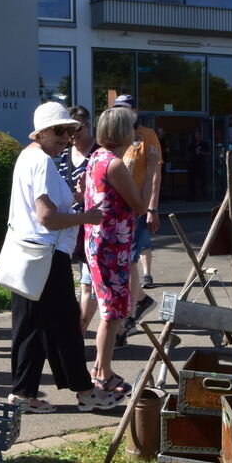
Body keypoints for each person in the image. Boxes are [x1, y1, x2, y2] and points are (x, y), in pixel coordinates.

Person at [6, 102, 120, 414]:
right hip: (44, 254)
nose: (66, 138)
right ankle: (85, 391)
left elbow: (43, 209)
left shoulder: (29, 157)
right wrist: (88, 216)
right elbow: (46, 217)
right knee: (64, 325)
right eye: (60, 131)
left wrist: (75, 198)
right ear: (41, 132)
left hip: (29, 253)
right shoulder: (41, 161)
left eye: (70, 131)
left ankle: (23, 393)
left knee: (32, 327)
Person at [84, 107, 147, 396]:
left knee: (111, 309)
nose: (136, 132)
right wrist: (154, 171)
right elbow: (139, 205)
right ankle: (103, 373)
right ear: (125, 131)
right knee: (112, 313)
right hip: (113, 246)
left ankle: (100, 368)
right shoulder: (114, 164)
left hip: (100, 242)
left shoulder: (96, 157)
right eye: (132, 127)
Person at [111, 94, 160, 345]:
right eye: (118, 108)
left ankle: (128, 316)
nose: (123, 112)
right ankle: (139, 301)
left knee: (129, 262)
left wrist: (152, 207)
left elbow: (155, 173)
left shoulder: (147, 135)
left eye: (126, 108)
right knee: (126, 264)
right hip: (116, 211)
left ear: (135, 111)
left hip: (137, 209)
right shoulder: (113, 135)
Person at [54, 105, 99, 333]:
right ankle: (119, 330)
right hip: (72, 225)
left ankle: (79, 332)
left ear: (89, 126)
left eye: (77, 130)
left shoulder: (98, 154)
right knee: (83, 281)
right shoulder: (64, 155)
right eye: (68, 131)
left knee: (88, 280)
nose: (72, 136)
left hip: (93, 225)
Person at [188, 129, 211, 201]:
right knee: (192, 182)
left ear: (200, 135)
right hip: (193, 165)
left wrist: (201, 152)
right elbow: (188, 152)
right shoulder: (192, 144)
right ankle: (192, 198)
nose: (196, 136)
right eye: (195, 135)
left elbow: (209, 153)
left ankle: (204, 197)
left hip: (201, 165)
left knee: (202, 182)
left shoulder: (204, 144)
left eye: (197, 134)